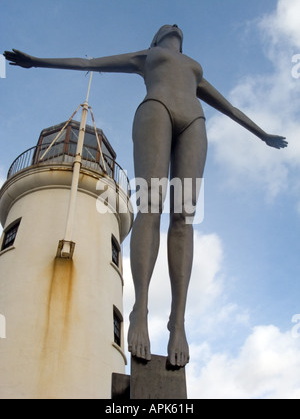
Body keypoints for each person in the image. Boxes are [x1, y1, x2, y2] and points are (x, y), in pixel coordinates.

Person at [4, 24, 287, 367]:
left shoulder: (193, 67)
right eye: (166, 27)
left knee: (184, 217)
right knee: (151, 206)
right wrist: (38, 61)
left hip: (194, 122)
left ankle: (177, 322)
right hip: (156, 110)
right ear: (156, 40)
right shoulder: (149, 55)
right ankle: (140, 308)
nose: (176, 25)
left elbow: (229, 108)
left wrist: (262, 134)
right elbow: (89, 63)